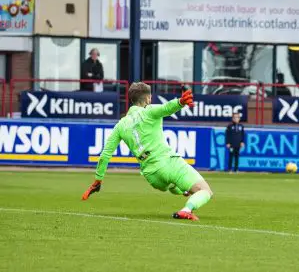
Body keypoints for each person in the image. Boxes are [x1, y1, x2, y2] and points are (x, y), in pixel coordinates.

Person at [81, 84, 213, 221]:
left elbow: (105, 155)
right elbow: (166, 108)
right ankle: (186, 210)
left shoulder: (121, 125)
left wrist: (98, 180)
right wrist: (180, 102)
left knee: (173, 185)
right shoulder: (148, 111)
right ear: (148, 99)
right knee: (205, 191)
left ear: (131, 100)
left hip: (152, 176)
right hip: (168, 162)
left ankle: (182, 188)